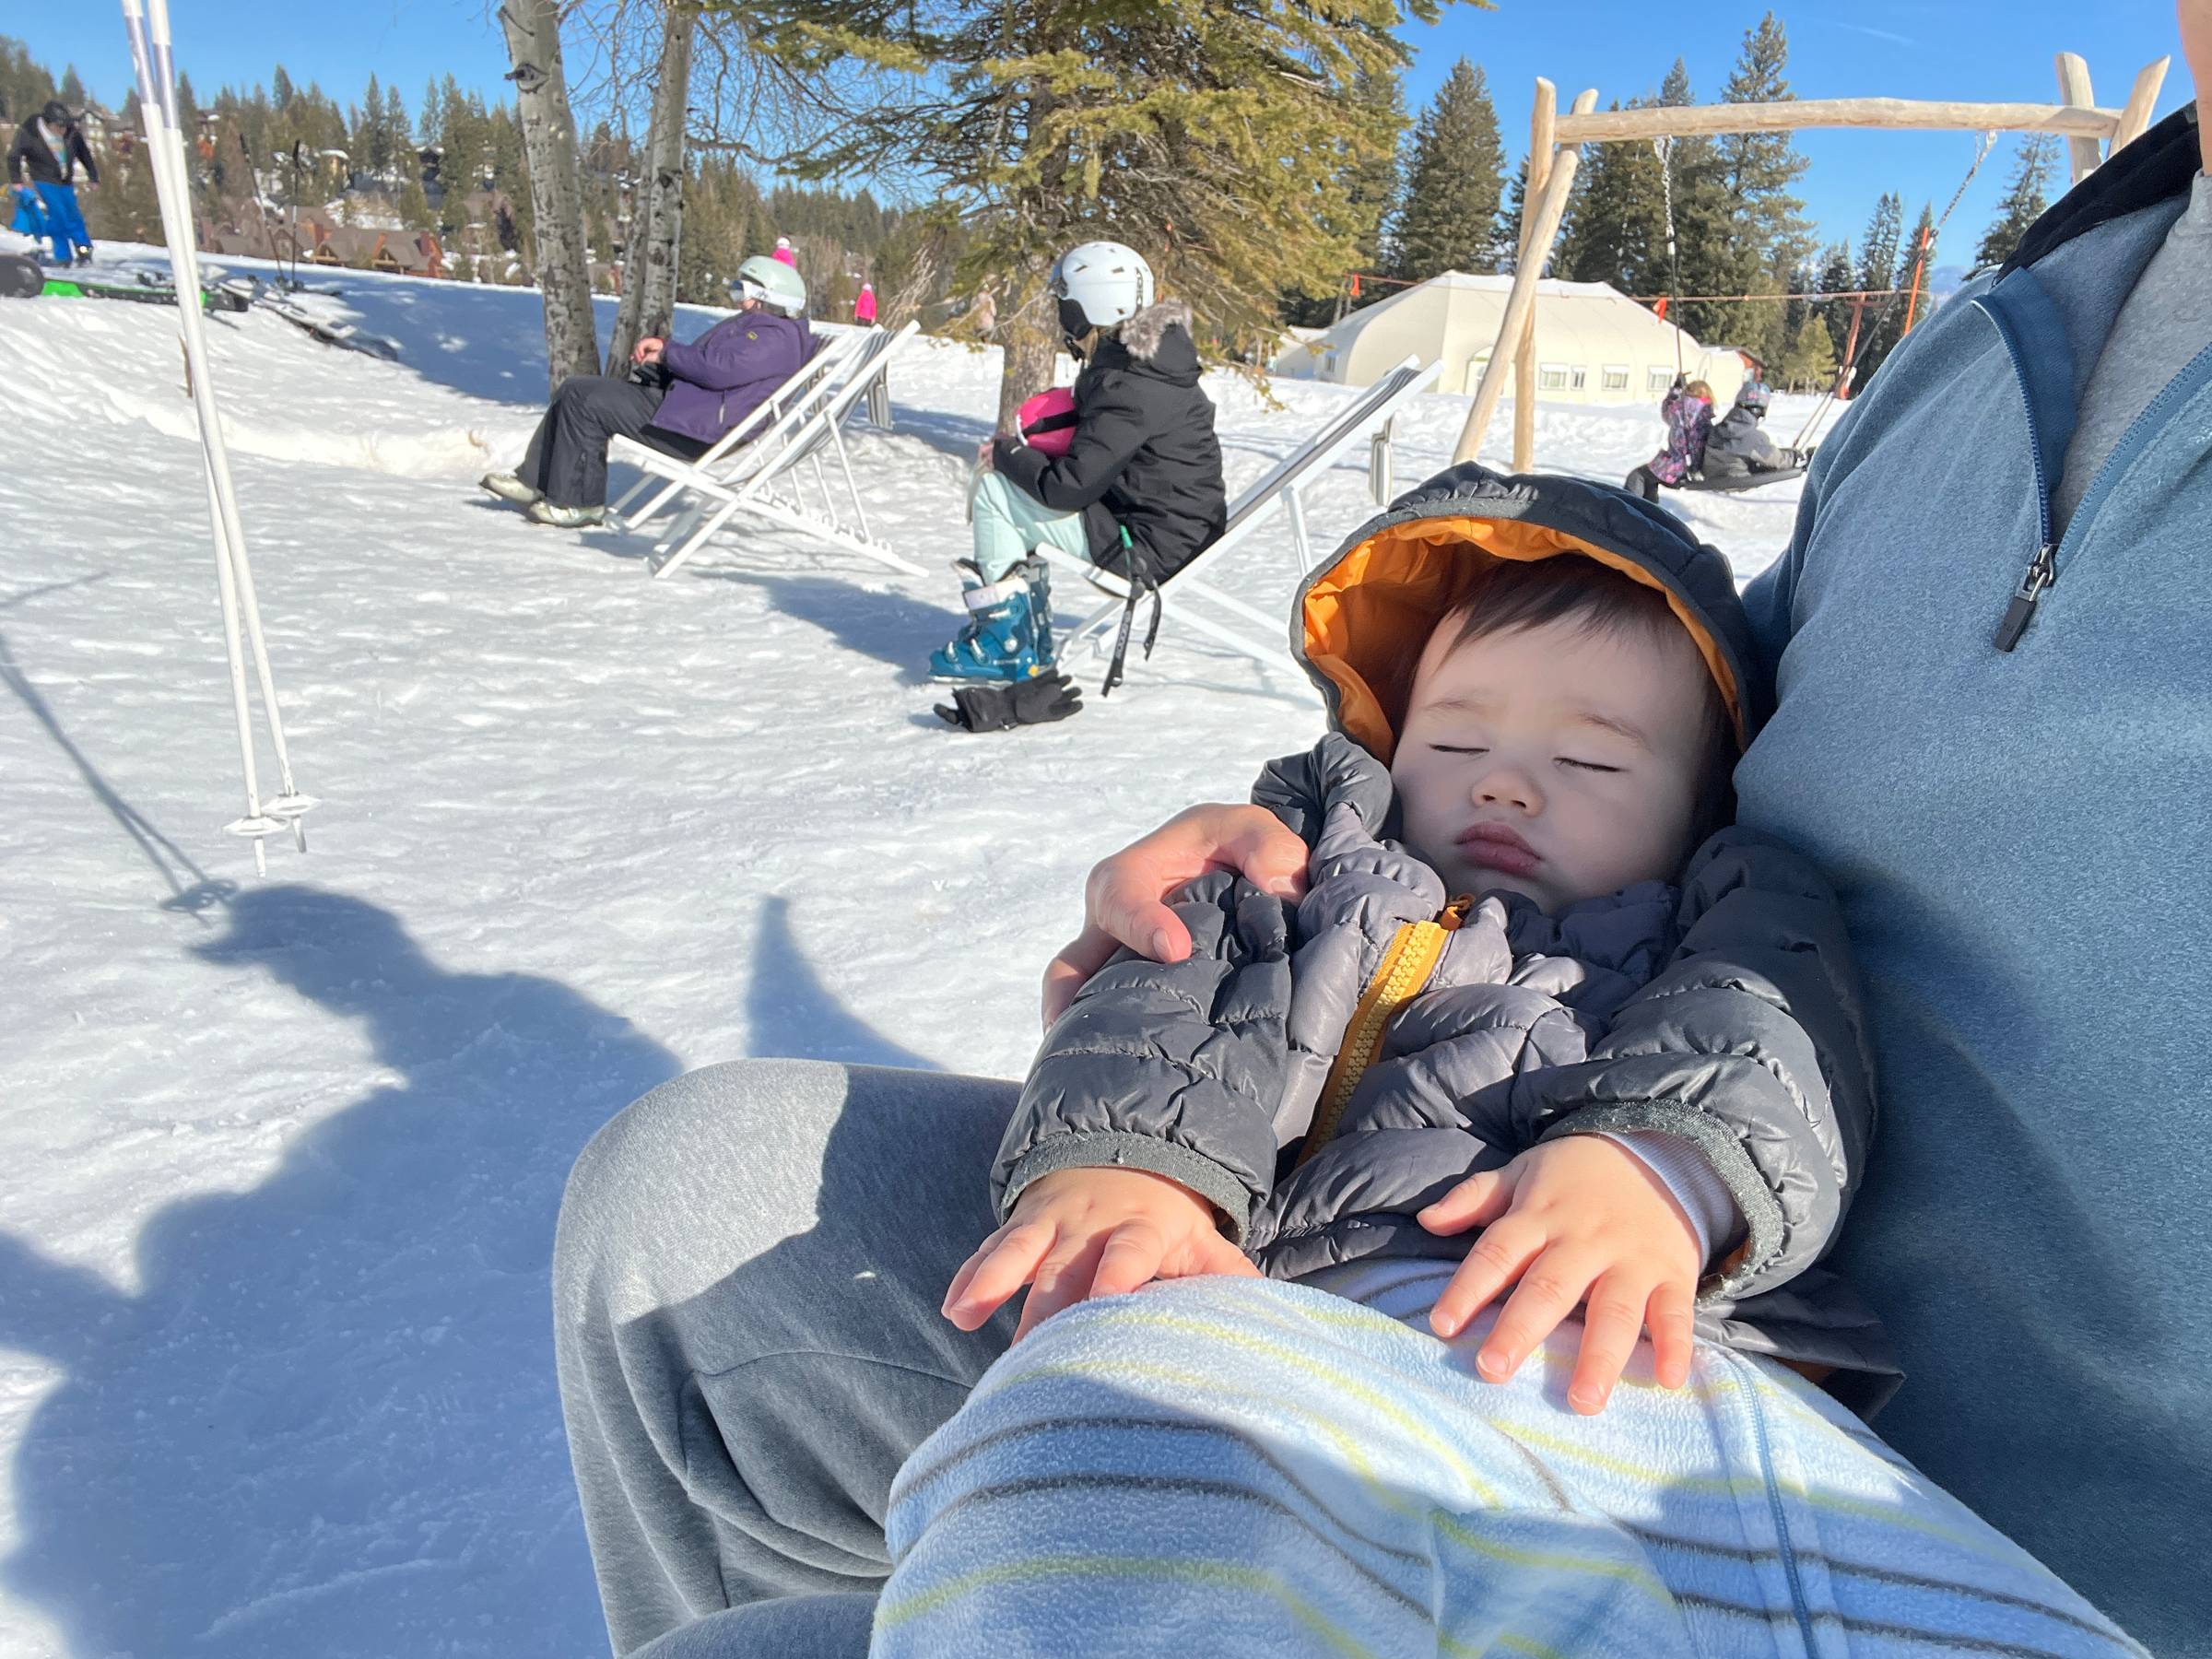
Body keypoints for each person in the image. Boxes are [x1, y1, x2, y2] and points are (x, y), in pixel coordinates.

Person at [549, 41, 2211, 1657]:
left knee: (1086, 1513)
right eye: (1459, 741)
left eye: (1579, 763)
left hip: (1652, 1366)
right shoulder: (2031, 309)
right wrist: (1120, 1161)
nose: (1507, 782)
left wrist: (1661, 1172)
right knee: (678, 1229)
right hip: (1276, 1270)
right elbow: (1169, 1024)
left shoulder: (1722, 908)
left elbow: (1764, 1035)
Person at [929, 240, 1226, 687]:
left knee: (996, 489)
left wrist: (1008, 454)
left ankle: (1006, 644)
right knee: (1013, 486)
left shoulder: (1132, 383)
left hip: (1148, 551)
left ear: (1093, 301)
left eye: (1065, 301)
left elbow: (1069, 487)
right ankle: (1021, 633)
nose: (1061, 313)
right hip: (1167, 530)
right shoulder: (1148, 364)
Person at [481, 254, 811, 529]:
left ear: (770, 296)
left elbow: (718, 368)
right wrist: (663, 359)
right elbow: (717, 367)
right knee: (576, 388)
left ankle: (579, 503)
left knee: (586, 402)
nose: (738, 297)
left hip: (696, 428)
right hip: (689, 411)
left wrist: (668, 353)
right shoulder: (765, 329)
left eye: (744, 289)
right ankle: (534, 481)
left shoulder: (774, 337)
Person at [7, 100, 98, 268]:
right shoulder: (29, 132)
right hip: (43, 179)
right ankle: (63, 256)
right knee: (58, 216)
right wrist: (16, 180)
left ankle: (84, 250)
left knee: (73, 215)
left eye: (65, 126)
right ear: (48, 123)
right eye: (59, 127)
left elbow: (84, 153)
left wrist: (93, 176)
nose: (63, 130)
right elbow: (14, 156)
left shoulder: (71, 132)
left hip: (65, 180)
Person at [1623, 375, 1712, 500]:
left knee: (1638, 476)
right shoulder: (1705, 414)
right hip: (1690, 466)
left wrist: (1676, 390)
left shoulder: (1680, 410)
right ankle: (1648, 510)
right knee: (1649, 479)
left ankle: (1630, 507)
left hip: (1677, 466)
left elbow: (1666, 412)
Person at [1700, 380, 1794, 480]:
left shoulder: (1717, 430)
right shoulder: (1753, 437)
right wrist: (1795, 455)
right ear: (1760, 411)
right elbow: (1777, 460)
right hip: (1738, 484)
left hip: (1711, 480)